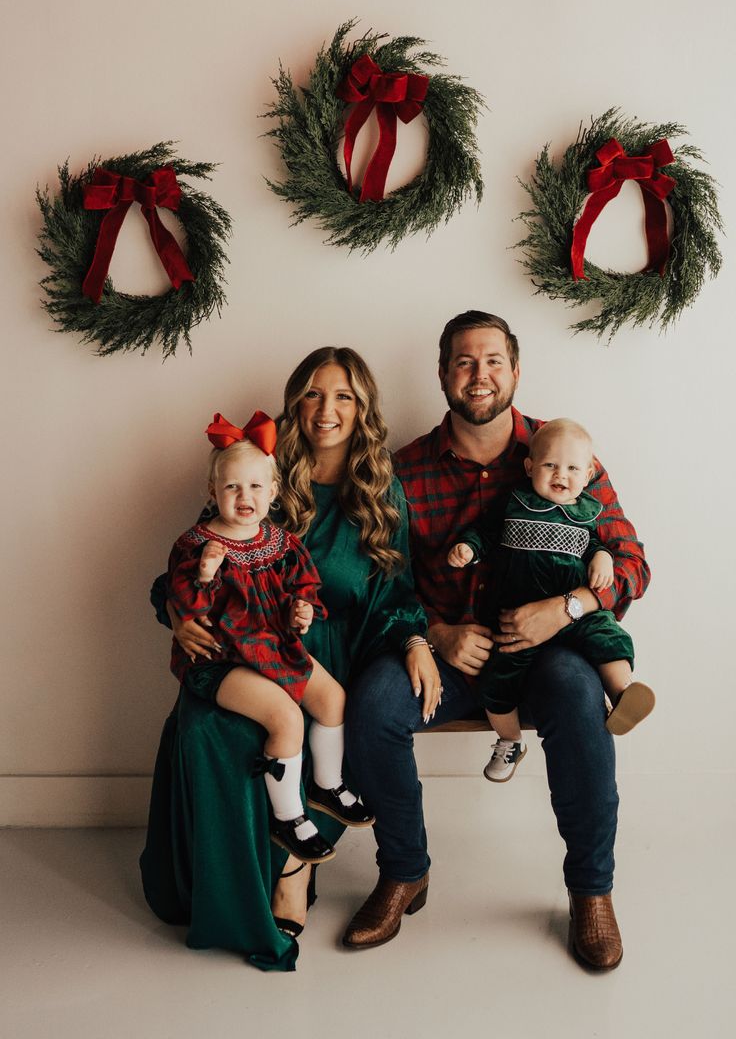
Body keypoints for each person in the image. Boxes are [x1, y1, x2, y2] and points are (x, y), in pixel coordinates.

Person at [342, 311, 650, 972]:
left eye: (492, 361)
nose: (478, 375)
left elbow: (630, 563)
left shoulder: (567, 452)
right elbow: (382, 583)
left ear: (514, 370)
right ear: (442, 375)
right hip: (448, 656)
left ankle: (591, 890)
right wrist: (437, 633)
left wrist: (565, 607)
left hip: (548, 654)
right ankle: (405, 871)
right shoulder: (407, 470)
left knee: (578, 691)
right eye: (463, 361)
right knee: (371, 705)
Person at [140, 347, 438, 971]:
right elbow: (182, 574)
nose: (326, 411)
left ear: (363, 412)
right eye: (312, 395)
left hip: (322, 653)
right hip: (234, 656)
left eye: (344, 397)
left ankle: (293, 871)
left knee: (310, 717)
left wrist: (414, 640)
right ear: (294, 402)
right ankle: (212, 890)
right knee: (211, 729)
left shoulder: (380, 494)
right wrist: (180, 617)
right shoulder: (253, 476)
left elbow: (397, 590)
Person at [166, 411, 374, 874]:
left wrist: (302, 612)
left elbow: (304, 589)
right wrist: (206, 574)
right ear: (213, 493)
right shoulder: (197, 544)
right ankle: (288, 817)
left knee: (334, 700)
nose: (245, 497)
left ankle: (326, 783)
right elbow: (185, 603)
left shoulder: (281, 542)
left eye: (257, 487)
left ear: (273, 492)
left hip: (274, 648)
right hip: (220, 659)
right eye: (233, 487)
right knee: (285, 717)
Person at [447, 416, 655, 783]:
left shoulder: (588, 511)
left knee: (607, 635)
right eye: (550, 466)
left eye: (573, 468)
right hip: (517, 618)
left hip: (573, 615)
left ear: (589, 474)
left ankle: (622, 693)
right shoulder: (514, 502)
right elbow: (486, 533)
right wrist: (469, 549)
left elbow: (599, 545)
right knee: (497, 683)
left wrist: (603, 558)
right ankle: (509, 740)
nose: (561, 475)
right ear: (529, 468)